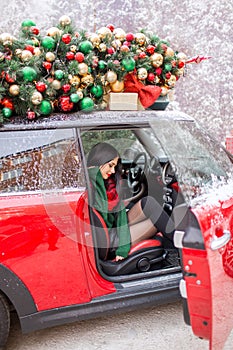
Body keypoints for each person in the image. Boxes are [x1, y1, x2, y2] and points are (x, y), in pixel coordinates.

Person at [87, 142, 174, 262]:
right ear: (98, 163)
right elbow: (104, 210)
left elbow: (119, 214)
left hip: (114, 227)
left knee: (148, 202)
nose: (113, 171)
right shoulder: (92, 184)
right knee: (155, 222)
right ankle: (180, 244)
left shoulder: (107, 183)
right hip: (109, 241)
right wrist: (122, 249)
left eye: (115, 166)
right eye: (110, 165)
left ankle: (176, 238)